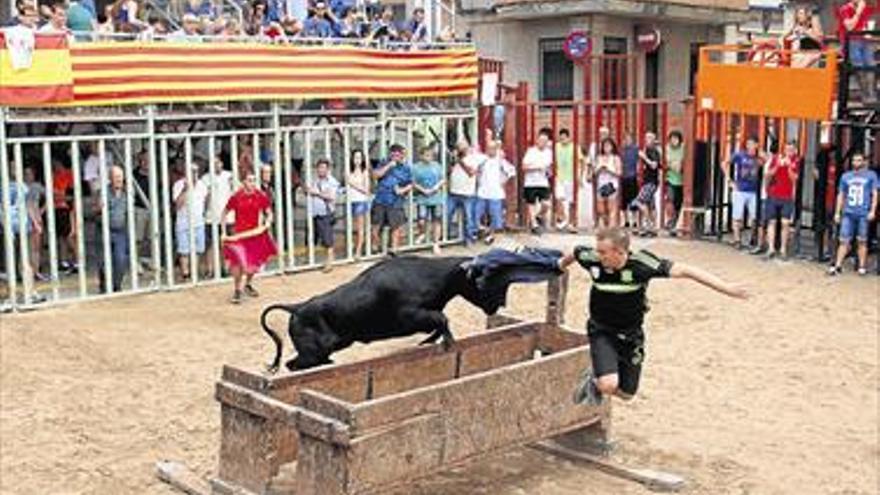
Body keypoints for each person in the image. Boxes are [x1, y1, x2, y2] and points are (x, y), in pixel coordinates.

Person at [558, 227, 748, 406]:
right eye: (598, 251)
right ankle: (598, 379)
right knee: (608, 384)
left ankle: (597, 376)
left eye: (603, 252)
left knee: (627, 394)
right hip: (601, 331)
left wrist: (726, 288)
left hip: (631, 335)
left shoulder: (642, 265)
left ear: (619, 252)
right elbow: (576, 252)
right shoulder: (593, 259)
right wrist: (559, 265)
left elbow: (685, 270)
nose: (597, 255)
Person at [221, 171, 277, 303]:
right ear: (243, 182)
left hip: (255, 234)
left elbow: (269, 212)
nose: (252, 183)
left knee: (253, 263)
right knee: (237, 263)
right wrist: (223, 231)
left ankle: (248, 284)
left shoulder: (260, 196)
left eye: (254, 180)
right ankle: (237, 290)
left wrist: (268, 222)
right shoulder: (237, 197)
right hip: (239, 234)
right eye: (249, 180)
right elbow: (224, 212)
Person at [829, 152, 878, 276]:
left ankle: (862, 267)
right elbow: (841, 195)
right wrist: (837, 212)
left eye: (859, 160)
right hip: (848, 212)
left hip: (863, 212)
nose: (856, 163)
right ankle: (838, 265)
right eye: (855, 160)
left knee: (862, 240)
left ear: (864, 162)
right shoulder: (846, 176)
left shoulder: (871, 175)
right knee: (843, 240)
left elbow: (875, 194)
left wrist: (872, 210)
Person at [722, 136, 764, 250]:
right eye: (748, 144)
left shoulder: (759, 158)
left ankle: (752, 238)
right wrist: (729, 180)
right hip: (740, 189)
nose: (750, 146)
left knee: (754, 217)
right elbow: (725, 163)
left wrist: (762, 155)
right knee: (737, 216)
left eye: (752, 144)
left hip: (753, 191)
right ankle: (737, 239)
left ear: (756, 145)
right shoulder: (740, 155)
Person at [763, 141, 800, 260]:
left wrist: (789, 166)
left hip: (787, 196)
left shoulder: (796, 161)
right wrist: (778, 165)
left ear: (794, 151)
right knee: (771, 222)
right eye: (787, 149)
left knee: (785, 223)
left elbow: (794, 179)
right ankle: (771, 248)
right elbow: (768, 174)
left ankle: (783, 249)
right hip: (773, 194)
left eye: (791, 149)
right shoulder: (776, 159)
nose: (788, 152)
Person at [371, 144, 412, 253]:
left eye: (399, 155)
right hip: (381, 199)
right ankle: (376, 248)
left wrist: (402, 190)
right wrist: (389, 165)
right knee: (376, 225)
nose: (397, 157)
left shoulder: (406, 168)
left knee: (396, 227)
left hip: (396, 201)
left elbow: (411, 184)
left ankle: (393, 249)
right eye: (394, 155)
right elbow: (375, 175)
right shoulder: (384, 162)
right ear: (390, 154)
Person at [94, 166, 129, 293]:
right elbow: (93, 210)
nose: (119, 179)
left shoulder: (127, 191)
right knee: (103, 261)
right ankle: (104, 285)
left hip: (120, 230)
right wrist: (99, 208)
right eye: (116, 177)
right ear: (110, 178)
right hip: (104, 230)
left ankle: (116, 286)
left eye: (121, 176)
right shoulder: (102, 192)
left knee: (120, 259)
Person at [172, 163, 208, 281]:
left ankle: (194, 273)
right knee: (184, 251)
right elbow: (177, 205)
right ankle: (185, 274)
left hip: (198, 222)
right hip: (183, 222)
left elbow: (206, 200)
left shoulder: (202, 185)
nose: (194, 174)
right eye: (191, 171)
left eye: (196, 171)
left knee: (198, 249)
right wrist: (185, 190)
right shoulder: (178, 184)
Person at [201, 154, 235, 278]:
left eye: (218, 162)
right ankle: (210, 270)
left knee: (227, 243)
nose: (217, 165)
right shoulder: (205, 178)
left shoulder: (229, 175)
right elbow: (204, 198)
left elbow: (236, 191)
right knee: (210, 245)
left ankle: (226, 268)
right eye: (213, 163)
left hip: (229, 217)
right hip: (211, 216)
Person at [475, 140, 515, 245]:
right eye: (489, 148)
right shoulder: (482, 160)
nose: (490, 150)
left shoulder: (500, 161)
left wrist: (504, 181)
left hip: (496, 193)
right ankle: (483, 231)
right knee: (477, 214)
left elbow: (512, 171)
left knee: (495, 217)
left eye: (493, 148)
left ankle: (490, 235)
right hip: (482, 192)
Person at [305, 159, 339, 272]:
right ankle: (309, 260)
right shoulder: (314, 180)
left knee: (327, 238)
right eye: (319, 168)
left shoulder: (332, 182)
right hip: (314, 213)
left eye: (324, 168)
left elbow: (331, 197)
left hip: (325, 213)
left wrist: (316, 193)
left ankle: (329, 262)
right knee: (312, 237)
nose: (321, 170)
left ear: (328, 169)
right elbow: (307, 191)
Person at [839, 0, 875, 103]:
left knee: (871, 67)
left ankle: (871, 94)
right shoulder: (845, 9)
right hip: (851, 41)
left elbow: (865, 25)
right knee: (860, 68)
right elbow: (849, 27)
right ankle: (865, 95)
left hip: (865, 40)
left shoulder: (865, 8)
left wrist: (868, 30)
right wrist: (858, 12)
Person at [412, 146, 445, 255]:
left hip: (436, 197)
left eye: (430, 155)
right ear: (421, 156)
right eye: (426, 155)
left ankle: (436, 243)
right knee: (421, 219)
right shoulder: (416, 167)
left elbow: (442, 179)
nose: (428, 157)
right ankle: (422, 233)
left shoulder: (437, 166)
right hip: (422, 197)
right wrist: (423, 190)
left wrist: (436, 187)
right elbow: (413, 182)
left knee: (436, 220)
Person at [447, 140, 482, 245]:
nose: (460, 149)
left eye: (462, 147)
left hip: (467, 193)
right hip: (453, 191)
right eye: (458, 147)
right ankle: (447, 236)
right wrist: (452, 161)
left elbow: (471, 173)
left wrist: (460, 161)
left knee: (468, 218)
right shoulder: (454, 159)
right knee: (446, 215)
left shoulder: (473, 158)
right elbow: (449, 172)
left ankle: (469, 239)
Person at [522, 127, 553, 235]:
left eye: (545, 141)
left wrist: (549, 172)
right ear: (537, 141)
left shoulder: (549, 152)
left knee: (546, 204)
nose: (543, 143)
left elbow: (549, 166)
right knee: (531, 204)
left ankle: (538, 216)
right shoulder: (531, 152)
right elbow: (524, 167)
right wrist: (536, 168)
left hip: (543, 181)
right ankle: (534, 225)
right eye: (541, 141)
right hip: (530, 182)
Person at [632, 132, 662, 237]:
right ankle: (653, 228)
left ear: (654, 140)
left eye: (650, 138)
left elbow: (655, 165)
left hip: (651, 181)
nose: (647, 139)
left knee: (639, 201)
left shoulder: (654, 152)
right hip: (645, 181)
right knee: (650, 204)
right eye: (646, 137)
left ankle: (649, 224)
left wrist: (645, 158)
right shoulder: (645, 149)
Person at [51, 157, 78, 274]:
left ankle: (78, 261)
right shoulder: (52, 176)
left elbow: (71, 194)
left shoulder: (69, 174)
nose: (55, 165)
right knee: (61, 237)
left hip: (67, 208)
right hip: (57, 208)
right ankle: (64, 261)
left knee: (69, 236)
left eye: (56, 163)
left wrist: (60, 195)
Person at [554, 128, 583, 233]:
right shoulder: (556, 147)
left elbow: (581, 161)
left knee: (571, 202)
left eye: (564, 138)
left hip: (571, 177)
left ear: (568, 137)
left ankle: (571, 223)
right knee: (559, 199)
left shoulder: (575, 147)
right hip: (560, 177)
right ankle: (563, 219)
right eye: (561, 138)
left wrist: (580, 176)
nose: (562, 140)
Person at [346, 149, 370, 259]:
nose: (357, 160)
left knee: (360, 227)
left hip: (361, 201)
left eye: (360, 158)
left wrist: (352, 183)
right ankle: (353, 248)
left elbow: (366, 190)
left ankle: (358, 251)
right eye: (355, 157)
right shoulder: (348, 171)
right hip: (350, 201)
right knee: (352, 227)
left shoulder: (364, 172)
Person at [594, 137, 621, 229]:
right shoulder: (599, 158)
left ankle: (611, 227)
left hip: (611, 184)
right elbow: (594, 172)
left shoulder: (615, 158)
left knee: (611, 206)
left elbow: (619, 173)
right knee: (600, 208)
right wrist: (599, 170)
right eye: (605, 146)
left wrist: (609, 170)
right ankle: (606, 222)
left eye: (609, 146)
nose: (607, 148)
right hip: (601, 184)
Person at [665, 130, 685, 235]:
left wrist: (678, 165)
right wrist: (673, 164)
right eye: (672, 138)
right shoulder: (667, 149)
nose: (674, 141)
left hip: (681, 180)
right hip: (670, 179)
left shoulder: (683, 148)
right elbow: (666, 163)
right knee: (670, 200)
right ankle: (670, 221)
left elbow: (684, 163)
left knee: (678, 203)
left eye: (676, 138)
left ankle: (676, 223)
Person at [620, 132, 640, 228]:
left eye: (629, 139)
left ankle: (635, 221)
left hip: (632, 177)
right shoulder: (621, 150)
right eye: (626, 139)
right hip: (623, 178)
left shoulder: (636, 149)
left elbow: (641, 158)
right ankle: (626, 221)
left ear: (632, 140)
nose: (627, 141)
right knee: (624, 201)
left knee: (633, 200)